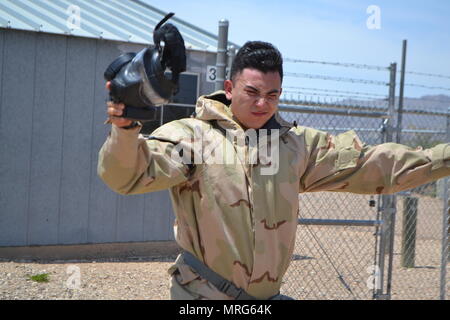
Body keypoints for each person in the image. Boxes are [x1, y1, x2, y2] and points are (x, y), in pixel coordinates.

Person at [98, 41, 450, 300]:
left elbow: (374, 164)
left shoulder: (293, 145)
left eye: (273, 94)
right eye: (252, 92)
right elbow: (129, 175)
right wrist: (126, 130)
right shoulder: (193, 137)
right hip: (202, 296)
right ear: (229, 88)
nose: (263, 103)